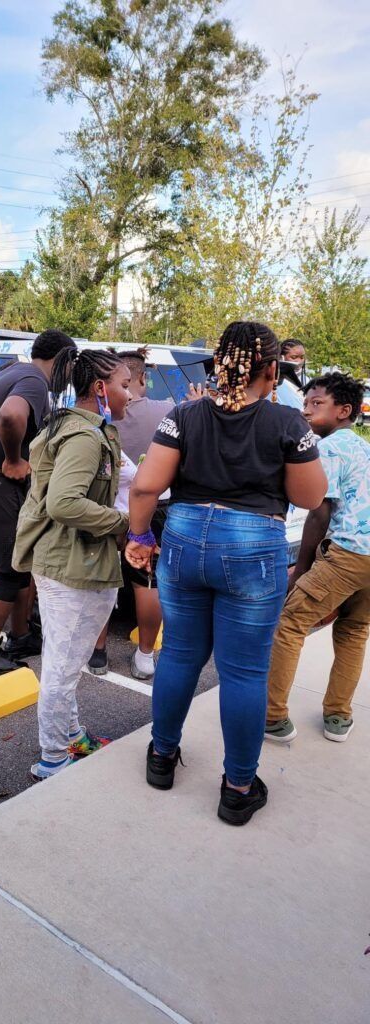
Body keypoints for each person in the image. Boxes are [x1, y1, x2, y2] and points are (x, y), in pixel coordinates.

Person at [127, 321, 327, 826]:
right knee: (244, 671)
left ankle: (161, 757)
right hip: (252, 548)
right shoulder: (287, 423)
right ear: (272, 369)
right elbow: (309, 498)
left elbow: (146, 487)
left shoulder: (184, 415)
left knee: (179, 655)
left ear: (218, 364)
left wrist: (139, 537)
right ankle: (238, 788)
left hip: (186, 538)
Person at [13, 349, 131, 779]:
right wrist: (125, 520)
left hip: (78, 561)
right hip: (69, 565)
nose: (131, 394)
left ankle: (71, 737)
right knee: (61, 667)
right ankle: (52, 759)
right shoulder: (83, 437)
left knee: (68, 661)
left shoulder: (83, 427)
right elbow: (64, 503)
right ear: (100, 388)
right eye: (124, 384)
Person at [0, 329, 78, 675]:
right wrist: (10, 457)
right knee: (10, 566)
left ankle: (22, 635)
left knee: (15, 558)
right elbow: (11, 415)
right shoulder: (34, 381)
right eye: (70, 367)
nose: (70, 377)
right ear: (61, 360)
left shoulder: (12, 372)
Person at [266, 373, 370, 745]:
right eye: (305, 403)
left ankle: (272, 716)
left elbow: (319, 512)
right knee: (354, 631)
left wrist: (303, 568)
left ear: (344, 411)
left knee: (290, 623)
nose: (306, 411)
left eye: (316, 404)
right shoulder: (361, 446)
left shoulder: (327, 448)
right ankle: (338, 716)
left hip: (349, 553)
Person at [88, 347, 173, 678]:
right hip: (155, 506)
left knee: (102, 581)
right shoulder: (168, 411)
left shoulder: (101, 415)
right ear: (143, 377)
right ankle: (144, 655)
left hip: (109, 508)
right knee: (148, 583)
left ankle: (98, 653)